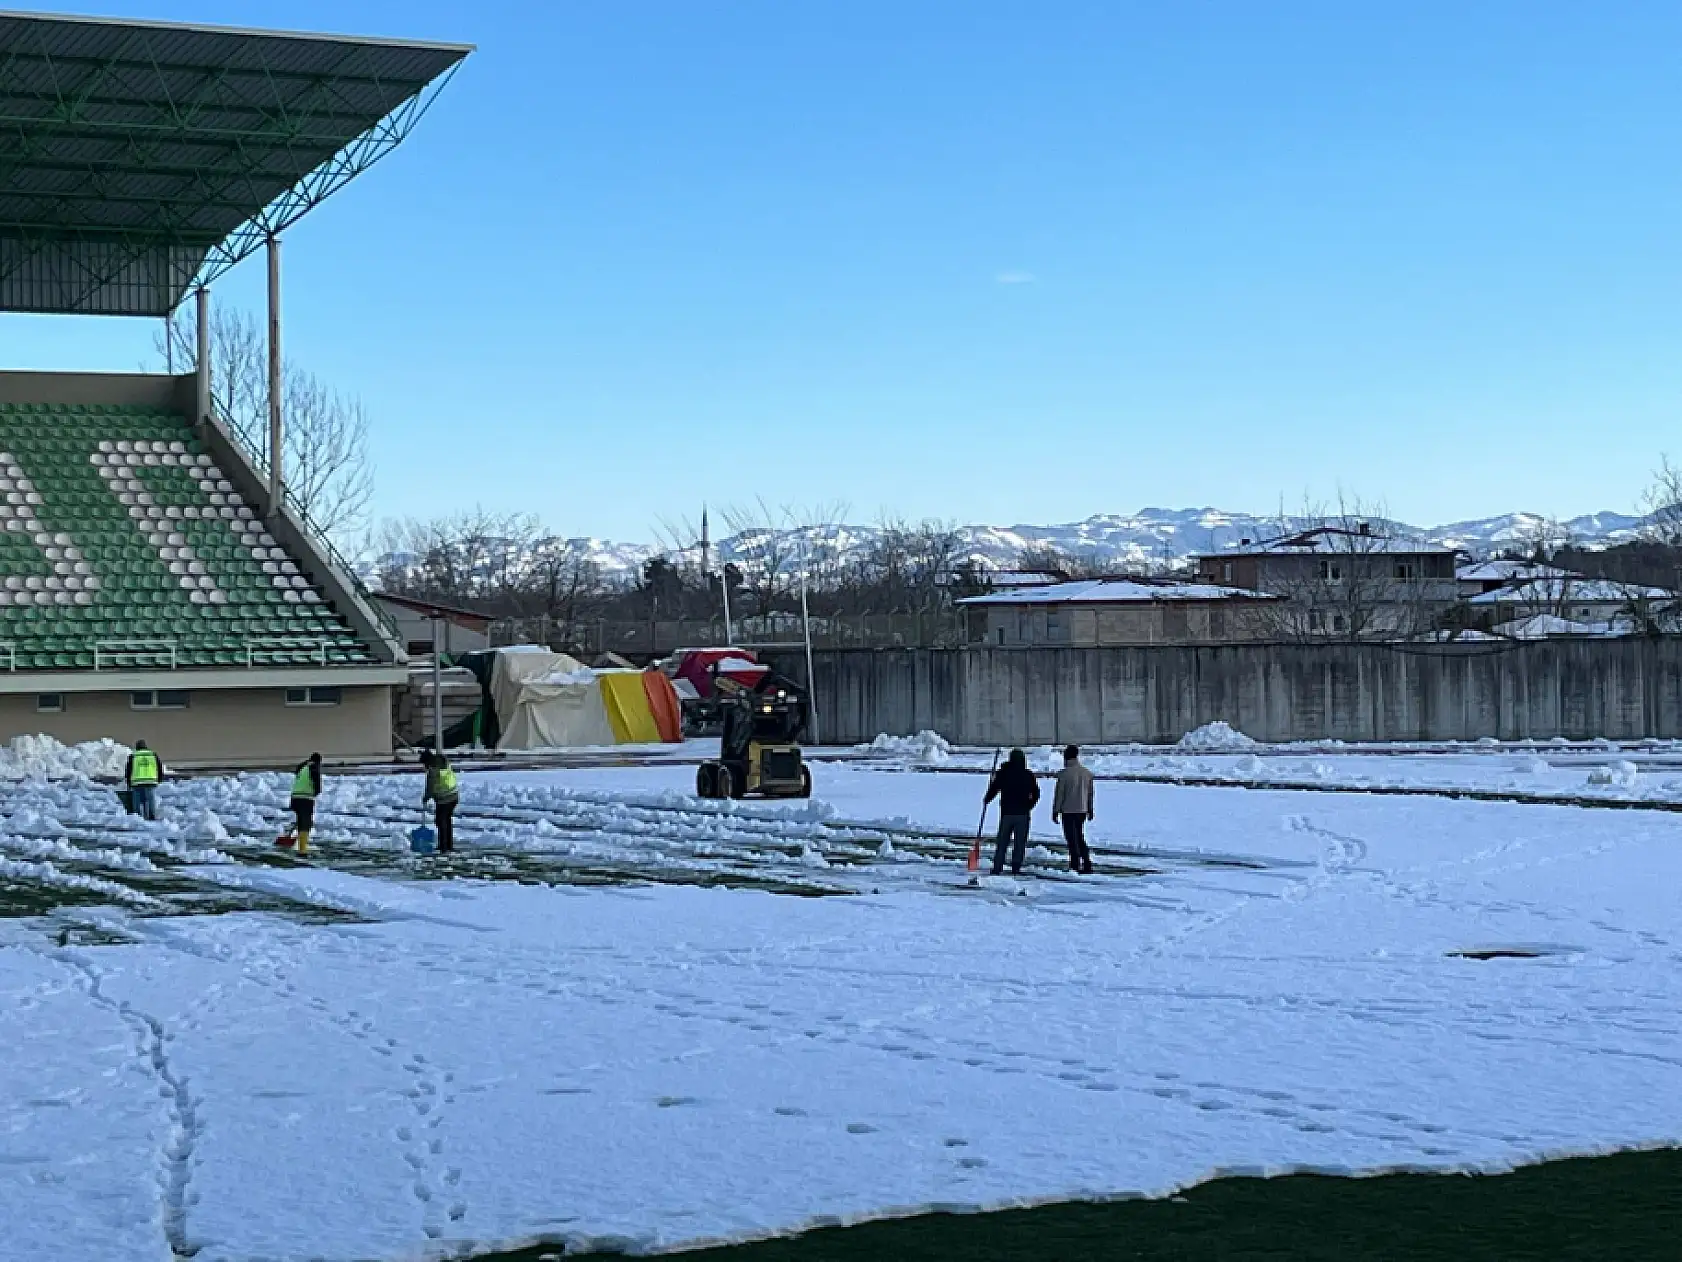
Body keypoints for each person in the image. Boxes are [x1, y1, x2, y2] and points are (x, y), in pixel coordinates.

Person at [984, 748, 1039, 876]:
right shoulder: (1028, 775)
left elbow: (994, 788)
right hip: (1023, 814)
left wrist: (987, 798)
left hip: (1006, 813)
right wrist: (1029, 805)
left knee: (1002, 841)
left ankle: (997, 866)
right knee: (1020, 843)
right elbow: (1036, 793)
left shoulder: (1003, 773)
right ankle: (1016, 866)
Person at [1051, 744, 1096, 874]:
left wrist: (1055, 810)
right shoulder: (1086, 773)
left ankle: (1075, 863)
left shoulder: (1064, 775)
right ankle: (1086, 861)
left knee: (1071, 838)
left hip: (1068, 811)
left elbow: (1059, 795)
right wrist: (1090, 809)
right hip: (1082, 810)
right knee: (1079, 836)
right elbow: (1090, 794)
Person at [422, 750, 460, 855]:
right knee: (447, 820)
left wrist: (426, 798)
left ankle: (443, 847)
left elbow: (430, 787)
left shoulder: (432, 770)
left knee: (441, 821)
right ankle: (448, 845)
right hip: (454, 795)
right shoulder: (444, 763)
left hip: (444, 799)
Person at [286, 752, 323, 855]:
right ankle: (302, 849)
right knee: (306, 823)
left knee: (301, 821)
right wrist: (316, 792)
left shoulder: (302, 767)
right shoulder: (314, 767)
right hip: (305, 798)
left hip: (295, 798)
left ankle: (299, 845)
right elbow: (316, 783)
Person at [124, 740, 163, 821]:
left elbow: (129, 770)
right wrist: (159, 779)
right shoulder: (153, 755)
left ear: (137, 747)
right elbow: (159, 767)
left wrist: (128, 781)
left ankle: (137, 817)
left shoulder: (133, 756)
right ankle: (151, 816)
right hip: (150, 781)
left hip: (137, 782)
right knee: (150, 799)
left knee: (137, 801)